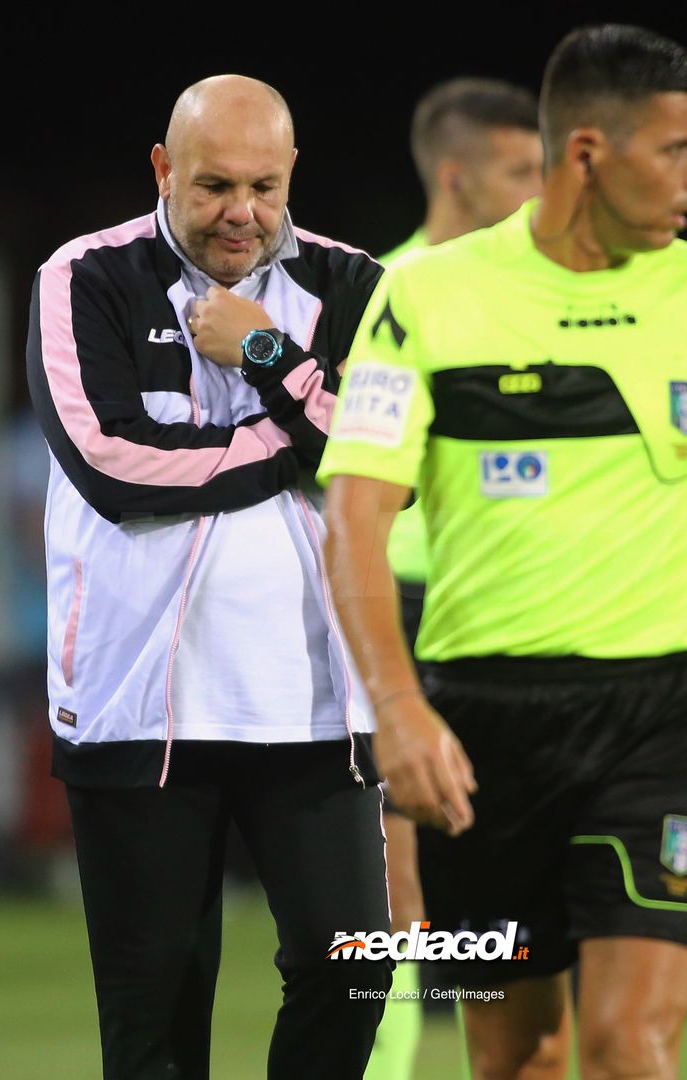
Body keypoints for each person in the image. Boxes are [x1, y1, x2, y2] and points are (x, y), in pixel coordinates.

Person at [319, 23, 687, 1080]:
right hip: (481, 729)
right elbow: (354, 515)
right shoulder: (429, 294)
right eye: (669, 152)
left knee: (627, 1041)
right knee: (517, 1054)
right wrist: (397, 710)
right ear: (585, 153)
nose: (684, 180)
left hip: (657, 720)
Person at [26, 74, 393, 1080]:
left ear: (292, 178)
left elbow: (381, 451)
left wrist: (269, 355)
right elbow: (114, 467)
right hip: (139, 704)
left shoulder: (353, 284)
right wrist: (295, 437)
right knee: (153, 1018)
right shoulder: (85, 276)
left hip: (316, 705)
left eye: (264, 187)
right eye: (215, 185)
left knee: (352, 969)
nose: (242, 212)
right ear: (163, 170)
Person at [366, 79, 543, 1080]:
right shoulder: (381, 294)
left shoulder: (540, 298)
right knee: (394, 893)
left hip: (511, 620)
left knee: (513, 885)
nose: (538, 189)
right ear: (454, 174)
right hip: (399, 615)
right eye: (519, 169)